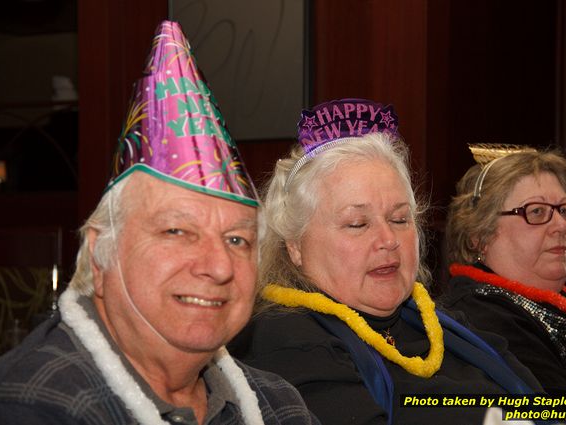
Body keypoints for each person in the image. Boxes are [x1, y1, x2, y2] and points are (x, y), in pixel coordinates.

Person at [0, 21, 317, 425]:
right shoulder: (38, 403)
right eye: (176, 231)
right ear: (99, 254)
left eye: (237, 240)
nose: (218, 266)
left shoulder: (277, 403)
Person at [230, 99, 543, 425]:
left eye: (399, 219)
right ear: (295, 245)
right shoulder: (288, 342)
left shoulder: (447, 324)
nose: (388, 240)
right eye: (357, 224)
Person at [441, 144, 566, 396]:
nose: (561, 225)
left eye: (564, 210)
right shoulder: (483, 318)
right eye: (537, 212)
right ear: (479, 234)